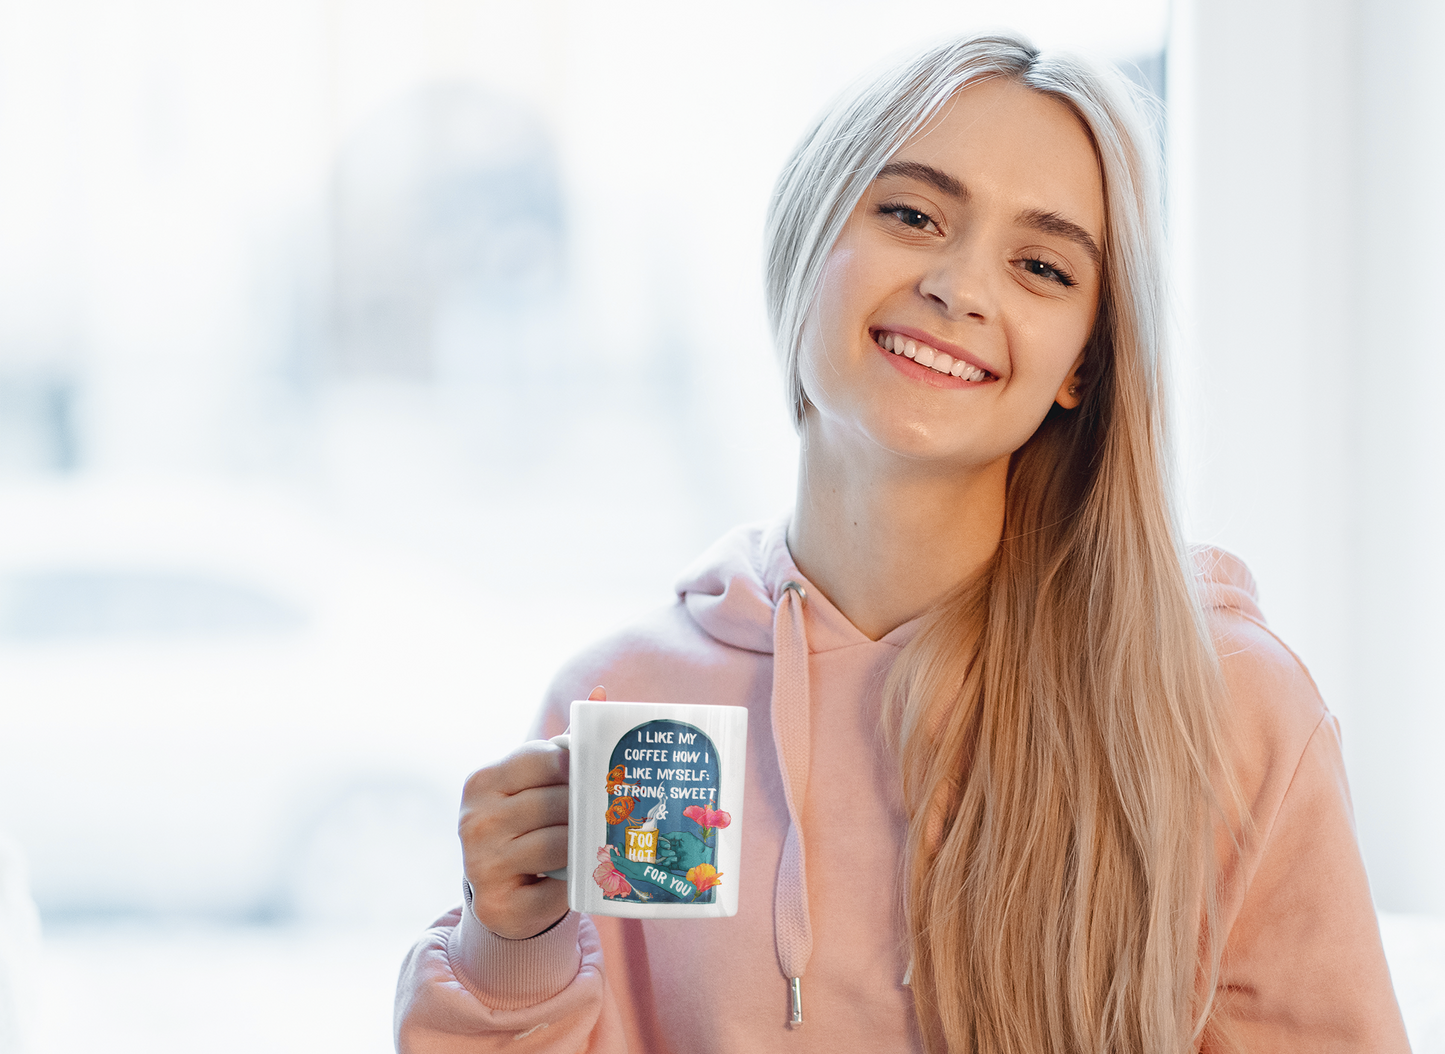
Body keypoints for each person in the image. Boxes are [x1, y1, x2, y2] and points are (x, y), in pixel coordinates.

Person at [395, 33, 1409, 1053]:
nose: (960, 288)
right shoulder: (625, 699)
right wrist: (511, 948)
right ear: (806, 239)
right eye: (912, 214)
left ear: (1081, 366)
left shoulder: (1222, 705)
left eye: (1041, 265)